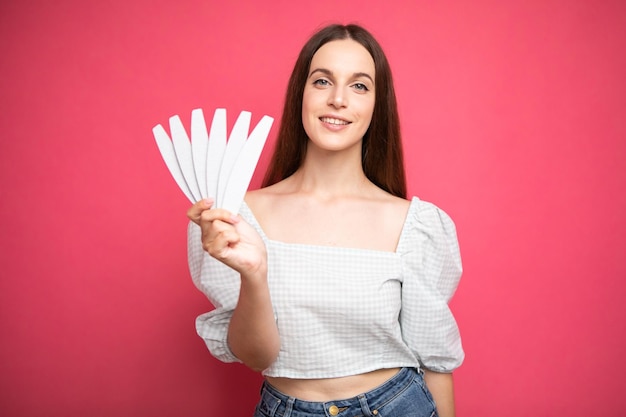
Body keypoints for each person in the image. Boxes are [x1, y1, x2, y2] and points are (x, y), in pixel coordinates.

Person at [186, 23, 464, 417]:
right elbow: (256, 356)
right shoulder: (237, 217)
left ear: (376, 106)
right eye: (322, 81)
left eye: (359, 86)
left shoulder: (415, 225)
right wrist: (253, 272)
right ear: (301, 93)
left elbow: (437, 363)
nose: (338, 99)